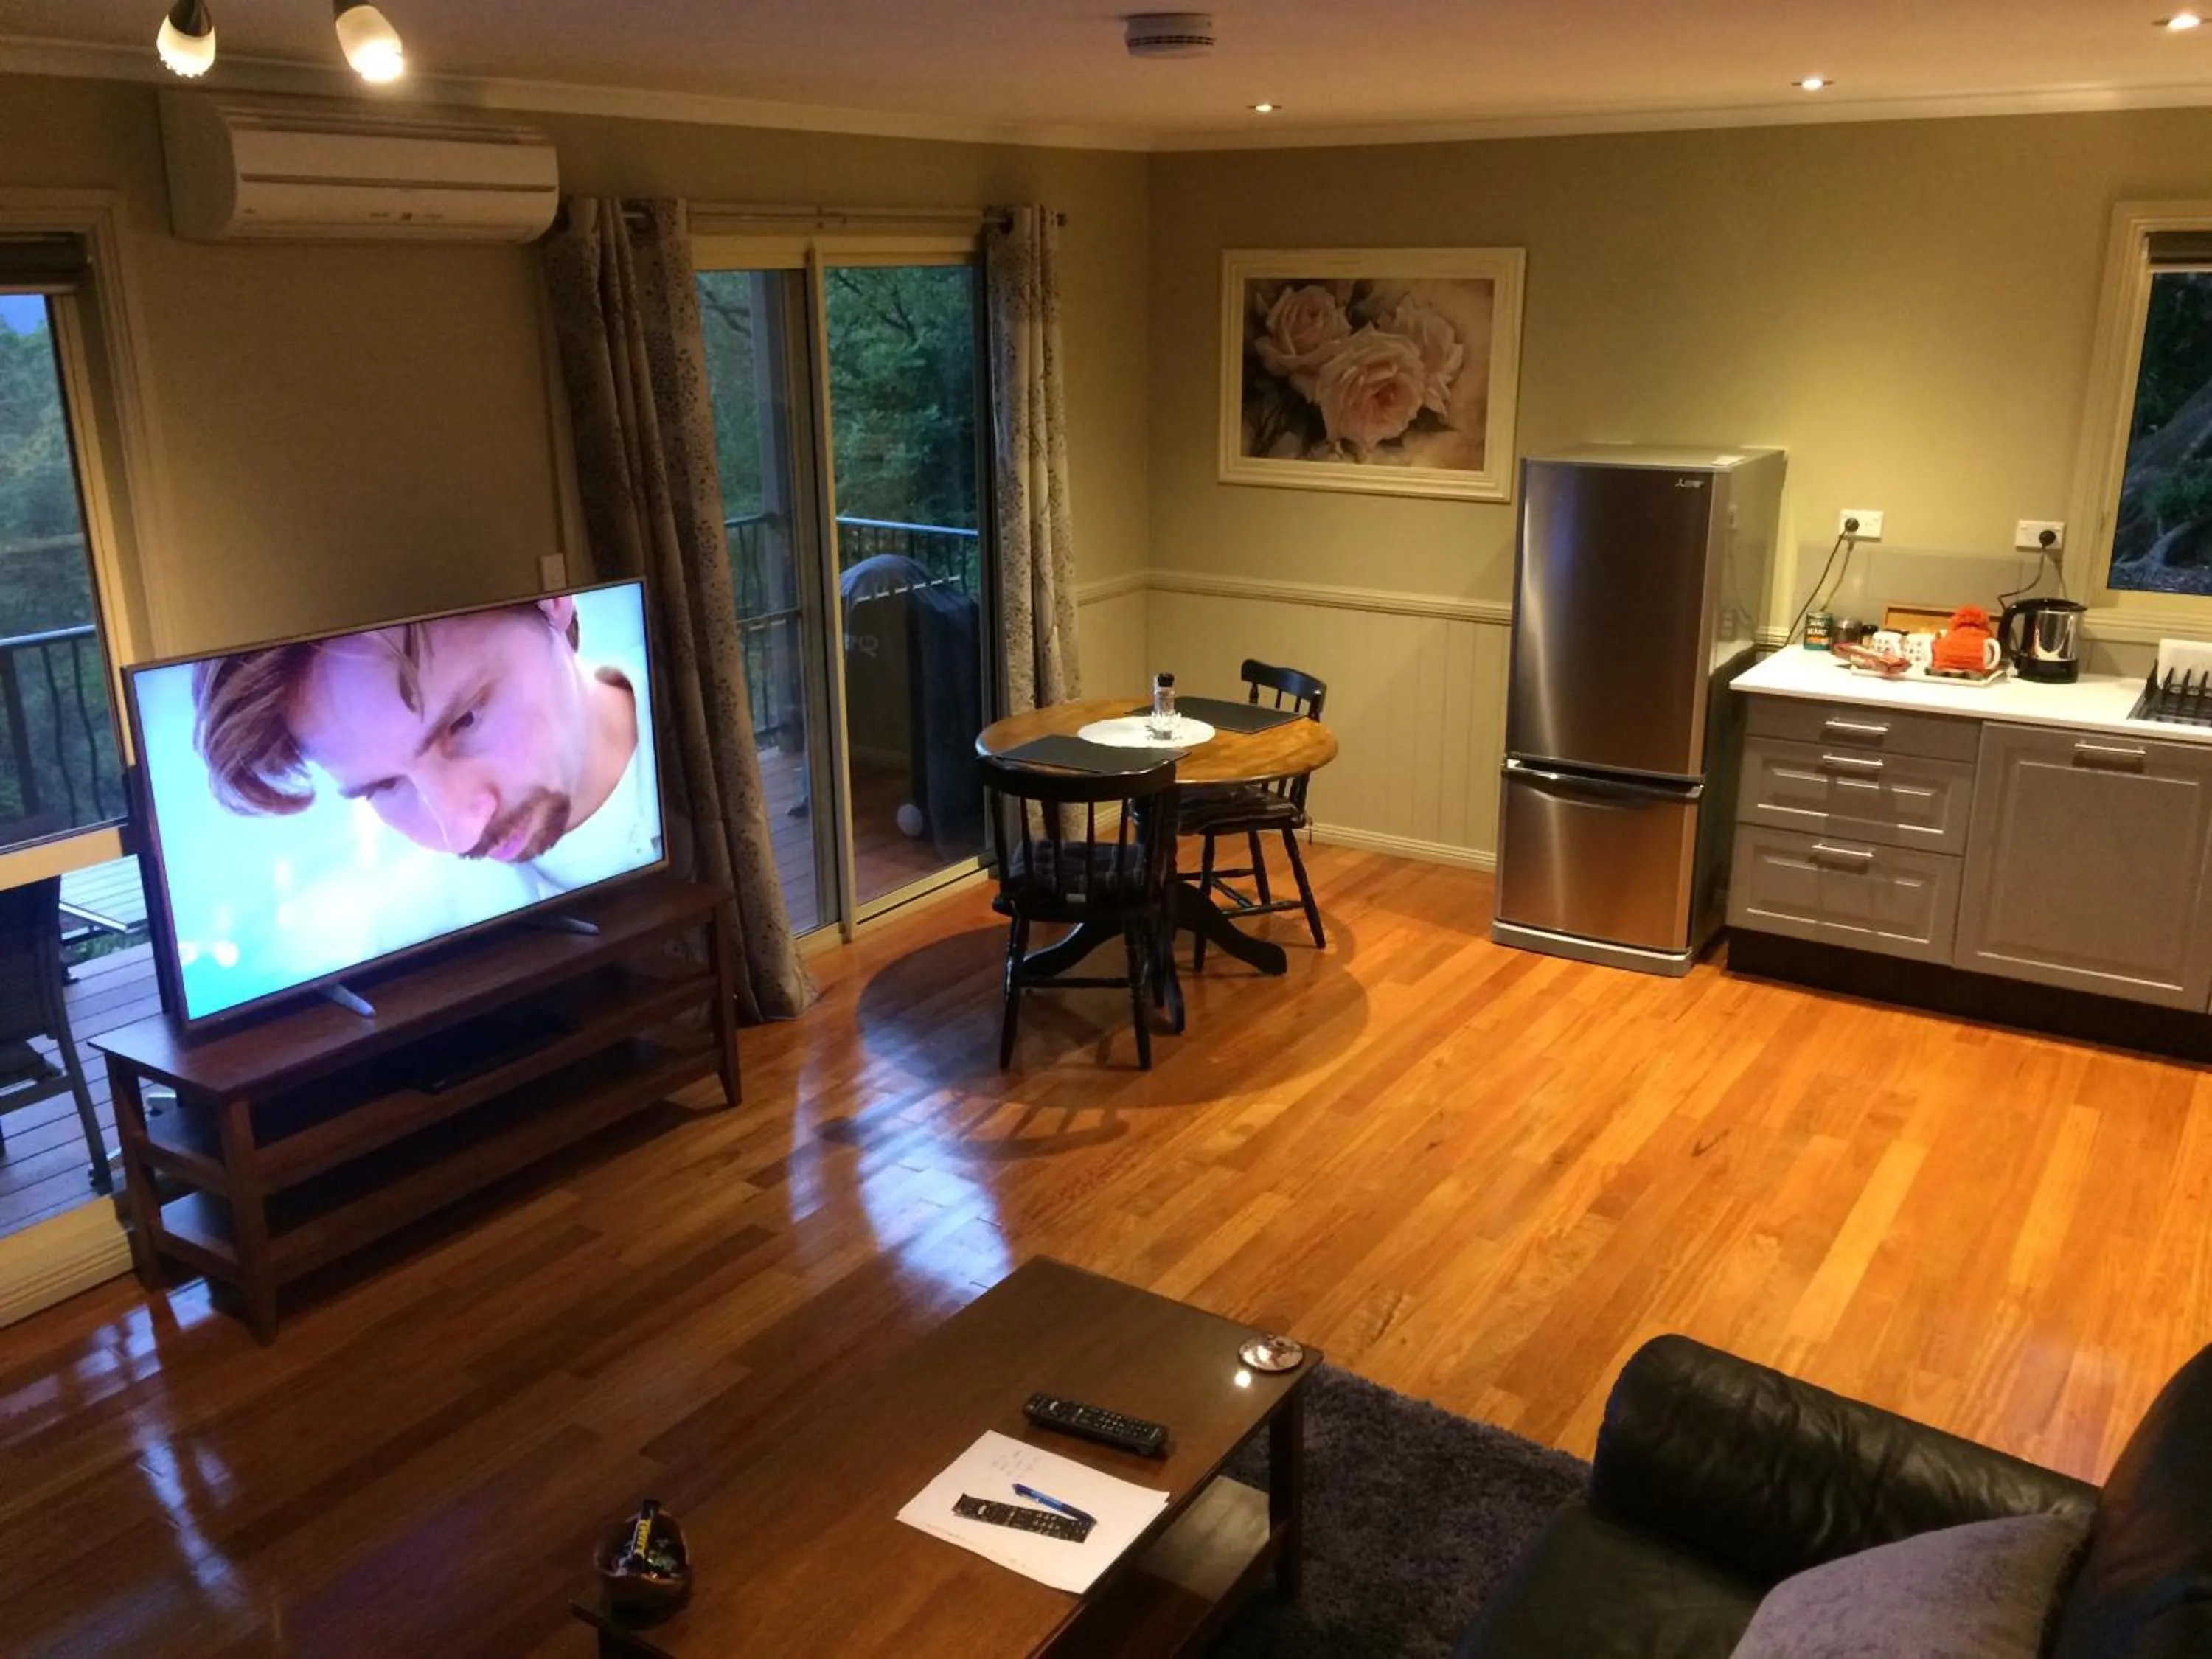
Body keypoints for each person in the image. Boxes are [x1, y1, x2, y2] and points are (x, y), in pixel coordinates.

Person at [190, 594, 656, 897]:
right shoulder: (415, 930)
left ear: (552, 602)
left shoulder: (699, 714)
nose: (461, 833)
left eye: (464, 721)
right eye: (386, 786)